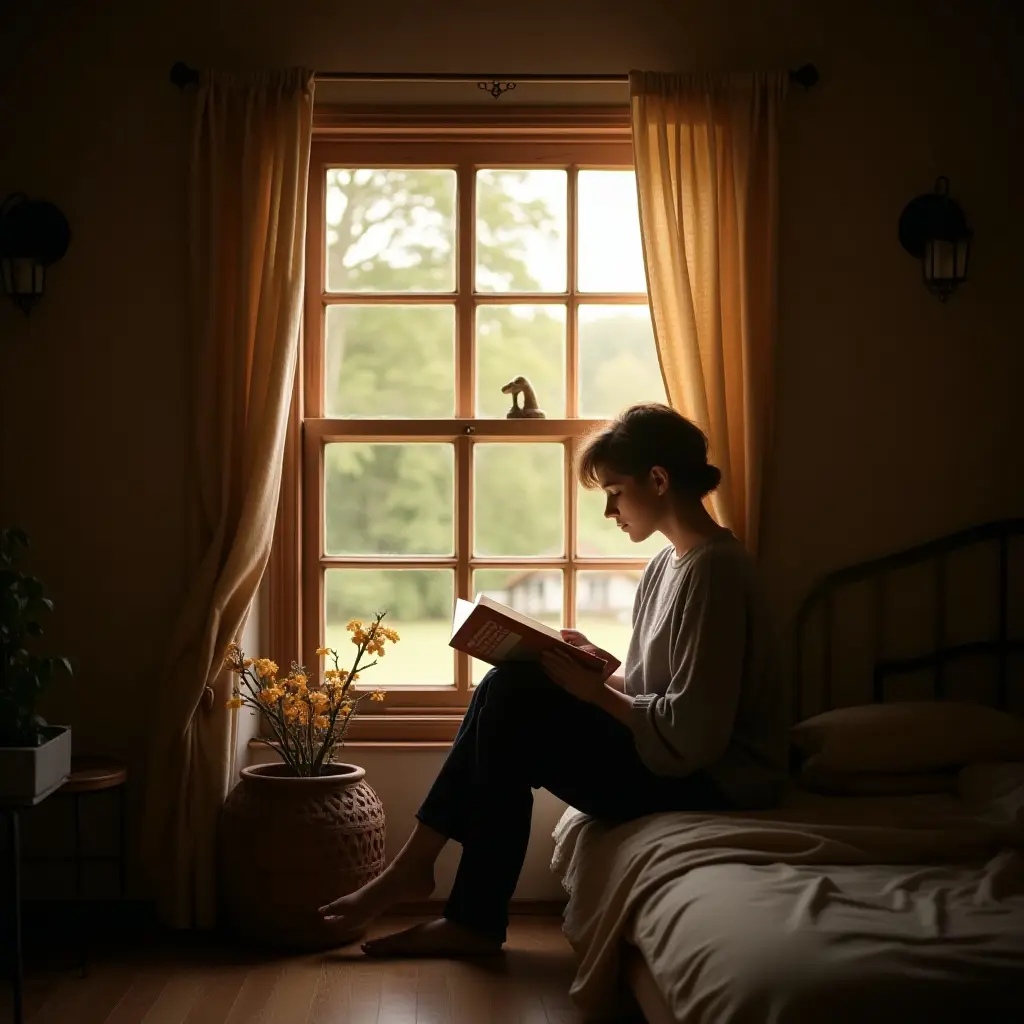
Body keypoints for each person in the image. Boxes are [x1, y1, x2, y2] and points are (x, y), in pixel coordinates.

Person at [318, 402, 786, 957]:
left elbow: (694, 738)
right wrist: (600, 670)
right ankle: (440, 893)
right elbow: (658, 697)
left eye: (615, 490)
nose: (610, 510)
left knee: (511, 698)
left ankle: (429, 884)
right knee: (508, 688)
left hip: (712, 782)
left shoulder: (717, 571)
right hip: (673, 759)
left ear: (658, 480)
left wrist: (592, 693)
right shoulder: (667, 565)